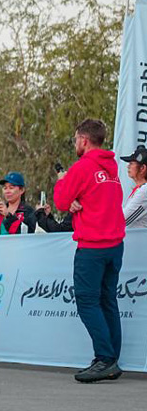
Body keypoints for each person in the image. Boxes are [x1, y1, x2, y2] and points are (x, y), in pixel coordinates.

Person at [54, 118, 126, 383]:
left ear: (83, 140)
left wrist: (63, 182)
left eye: (75, 139)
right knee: (108, 300)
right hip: (115, 244)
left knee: (87, 301)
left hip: (93, 245)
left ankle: (105, 359)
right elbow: (96, 199)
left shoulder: (82, 167)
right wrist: (77, 200)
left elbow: (61, 200)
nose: (75, 144)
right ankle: (111, 358)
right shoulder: (112, 167)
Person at [120, 146, 147, 228]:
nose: (128, 166)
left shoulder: (144, 191)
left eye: (131, 163)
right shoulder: (142, 189)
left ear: (142, 168)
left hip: (139, 239)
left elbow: (122, 220)